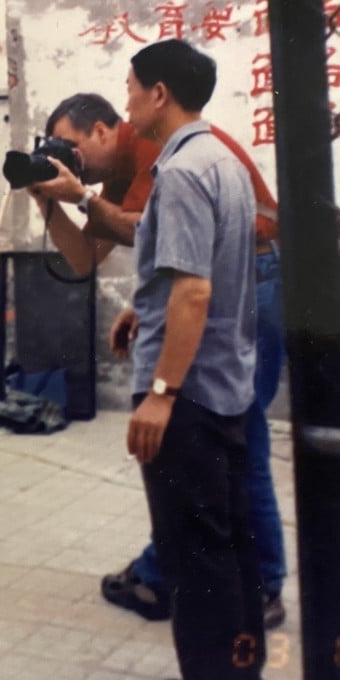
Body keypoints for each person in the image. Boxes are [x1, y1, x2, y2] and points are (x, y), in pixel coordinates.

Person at [29, 90, 288, 629]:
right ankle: (169, 567)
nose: (68, 159)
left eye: (70, 146)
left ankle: (254, 582)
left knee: (235, 435)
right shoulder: (122, 170)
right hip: (218, 282)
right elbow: (82, 259)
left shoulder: (158, 150)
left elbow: (151, 234)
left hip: (251, 279)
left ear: (104, 130)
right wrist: (47, 202)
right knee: (199, 443)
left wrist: (80, 198)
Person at [118, 39, 264, 679]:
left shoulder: (178, 173)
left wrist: (161, 392)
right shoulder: (222, 161)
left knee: (194, 566)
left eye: (130, 89)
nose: (127, 103)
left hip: (190, 403)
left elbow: (195, 291)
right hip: (225, 390)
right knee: (230, 554)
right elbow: (192, 275)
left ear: (158, 93)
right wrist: (142, 306)